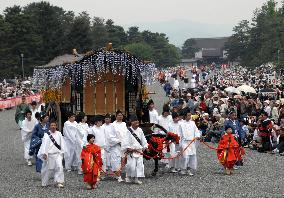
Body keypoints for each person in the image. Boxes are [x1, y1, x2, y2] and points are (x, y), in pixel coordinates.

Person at [37, 121, 67, 188]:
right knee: (49, 169)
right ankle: (44, 182)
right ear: (49, 126)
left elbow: (62, 143)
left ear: (56, 126)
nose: (53, 126)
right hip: (49, 155)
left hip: (58, 154)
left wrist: (62, 152)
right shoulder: (46, 134)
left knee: (60, 167)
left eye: (54, 125)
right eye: (52, 125)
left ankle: (58, 181)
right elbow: (44, 144)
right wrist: (45, 153)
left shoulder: (59, 134)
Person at [123, 115, 148, 184]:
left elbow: (143, 139)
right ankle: (128, 177)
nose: (137, 124)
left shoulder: (140, 130)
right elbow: (125, 140)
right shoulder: (128, 131)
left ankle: (136, 178)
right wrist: (128, 147)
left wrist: (145, 146)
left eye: (138, 123)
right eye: (136, 123)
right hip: (131, 151)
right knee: (131, 165)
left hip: (139, 151)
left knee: (139, 165)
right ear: (132, 123)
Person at [179, 111, 201, 176]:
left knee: (191, 156)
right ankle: (183, 169)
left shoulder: (192, 123)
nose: (189, 117)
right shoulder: (181, 124)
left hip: (191, 142)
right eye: (188, 115)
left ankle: (188, 169)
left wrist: (197, 136)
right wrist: (179, 142)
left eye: (190, 115)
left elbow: (196, 131)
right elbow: (179, 134)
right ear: (185, 116)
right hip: (184, 142)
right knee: (185, 156)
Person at [103, 113, 123, 182]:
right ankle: (105, 175)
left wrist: (119, 141)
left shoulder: (113, 126)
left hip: (114, 146)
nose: (107, 120)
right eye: (106, 119)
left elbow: (117, 135)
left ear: (110, 119)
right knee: (105, 161)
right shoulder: (102, 127)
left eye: (108, 119)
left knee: (115, 161)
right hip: (106, 146)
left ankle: (117, 175)